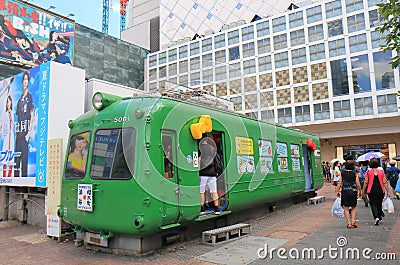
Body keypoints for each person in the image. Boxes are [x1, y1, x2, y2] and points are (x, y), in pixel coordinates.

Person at [14, 71, 34, 177]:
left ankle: (24, 181)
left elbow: (32, 114)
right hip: (18, 133)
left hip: (25, 132)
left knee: (24, 160)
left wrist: (28, 133)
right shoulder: (19, 99)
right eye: (24, 79)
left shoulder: (29, 97)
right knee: (16, 159)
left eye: (27, 79)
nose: (25, 82)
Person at [362, 158, 391, 225]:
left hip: (371, 190)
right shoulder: (381, 172)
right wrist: (388, 191)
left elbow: (366, 182)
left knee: (373, 204)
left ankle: (376, 217)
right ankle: (379, 216)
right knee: (379, 203)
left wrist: (363, 190)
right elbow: (385, 182)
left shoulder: (368, 172)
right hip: (381, 190)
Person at [336, 159, 361, 229]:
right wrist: (360, 191)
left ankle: (349, 223)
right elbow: (357, 183)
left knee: (346, 207)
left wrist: (337, 190)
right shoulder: (354, 173)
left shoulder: (342, 172)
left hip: (345, 191)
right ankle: (353, 221)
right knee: (353, 206)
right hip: (353, 191)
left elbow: (340, 182)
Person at [199, 133, 220, 215]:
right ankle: (217, 208)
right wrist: (217, 171)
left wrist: (198, 172)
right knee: (214, 191)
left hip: (203, 173)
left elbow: (199, 160)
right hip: (212, 174)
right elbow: (216, 161)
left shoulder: (200, 148)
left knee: (202, 191)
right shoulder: (212, 149)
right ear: (207, 140)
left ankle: (202, 208)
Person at [0, 95, 15, 177]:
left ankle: (9, 175)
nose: (8, 103)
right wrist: (3, 134)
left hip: (11, 135)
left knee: (11, 155)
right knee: (5, 156)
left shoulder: (12, 113)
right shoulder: (4, 114)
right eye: (7, 102)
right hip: (6, 136)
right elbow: (2, 125)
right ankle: (4, 175)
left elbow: (13, 124)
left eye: (9, 101)